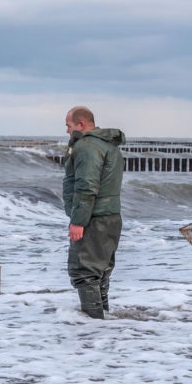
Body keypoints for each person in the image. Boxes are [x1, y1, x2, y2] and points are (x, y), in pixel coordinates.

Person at [62, 106, 125, 318]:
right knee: (100, 272)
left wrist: (78, 221)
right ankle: (102, 323)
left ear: (81, 124)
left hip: (94, 219)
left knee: (85, 272)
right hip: (111, 217)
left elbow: (87, 186)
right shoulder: (108, 145)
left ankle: (92, 328)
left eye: (68, 126)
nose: (67, 131)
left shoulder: (88, 147)